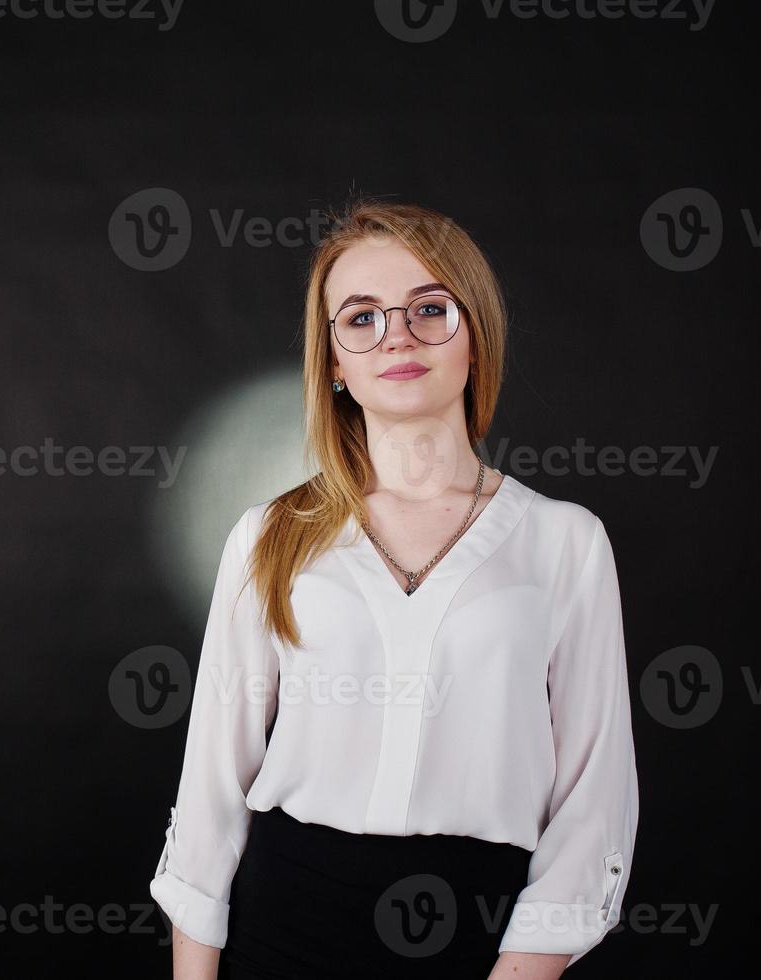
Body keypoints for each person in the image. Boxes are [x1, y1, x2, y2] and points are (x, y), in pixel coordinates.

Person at [149, 198, 639, 979]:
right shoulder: (269, 535)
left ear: (475, 335)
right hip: (281, 924)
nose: (397, 336)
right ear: (334, 361)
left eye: (428, 309)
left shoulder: (565, 543)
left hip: (481, 932)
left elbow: (592, 802)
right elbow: (212, 786)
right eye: (361, 317)